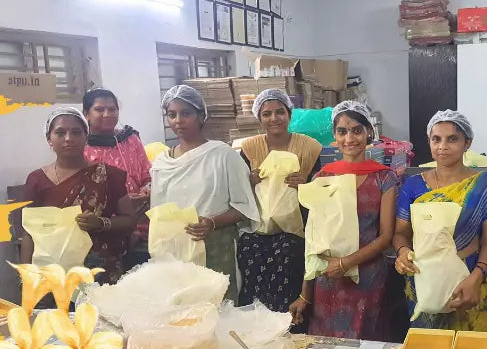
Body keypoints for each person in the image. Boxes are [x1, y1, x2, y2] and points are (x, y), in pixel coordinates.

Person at [290, 101, 399, 340]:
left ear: (369, 132)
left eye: (356, 130)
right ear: (334, 136)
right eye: (342, 131)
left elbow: (386, 236)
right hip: (328, 277)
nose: (349, 138)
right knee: (327, 347)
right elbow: (314, 238)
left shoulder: (384, 177)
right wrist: (305, 294)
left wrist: (346, 263)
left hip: (367, 278)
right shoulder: (323, 176)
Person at [392, 110, 487, 332]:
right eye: (436, 139)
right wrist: (403, 252)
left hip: (472, 278)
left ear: (467, 143)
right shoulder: (413, 185)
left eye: (452, 139)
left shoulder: (485, 184)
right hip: (424, 281)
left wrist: (476, 278)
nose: (442, 146)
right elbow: (401, 233)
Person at [150, 85, 259, 300]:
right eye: (172, 115)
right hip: (174, 252)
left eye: (186, 113)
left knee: (217, 310)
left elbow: (245, 208)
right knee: (178, 312)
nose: (178, 120)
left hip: (215, 247)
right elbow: (158, 212)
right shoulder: (162, 163)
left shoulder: (223, 156)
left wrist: (211, 222)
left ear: (201, 116)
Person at [16, 108, 136, 282]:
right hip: (51, 274)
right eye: (60, 133)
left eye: (76, 132)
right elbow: (28, 232)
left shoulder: (108, 175)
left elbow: (130, 220)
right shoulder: (36, 179)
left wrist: (101, 223)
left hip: (98, 272)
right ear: (49, 139)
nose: (68, 138)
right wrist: (26, 276)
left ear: (86, 137)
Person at [236, 89, 323, 315]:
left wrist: (305, 182)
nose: (274, 118)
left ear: (289, 114)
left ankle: (289, 322)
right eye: (267, 114)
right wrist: (249, 181)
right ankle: (256, 322)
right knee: (248, 252)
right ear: (259, 118)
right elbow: (236, 190)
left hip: (297, 227)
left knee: (289, 254)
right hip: (257, 226)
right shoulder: (249, 149)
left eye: (279, 112)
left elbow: (323, 190)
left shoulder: (309, 148)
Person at [80, 88, 152, 270]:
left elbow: (148, 175)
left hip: (141, 220)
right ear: (86, 114)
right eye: (100, 109)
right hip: (104, 228)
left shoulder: (130, 139)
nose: (108, 114)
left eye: (112, 109)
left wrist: (145, 191)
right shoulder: (80, 147)